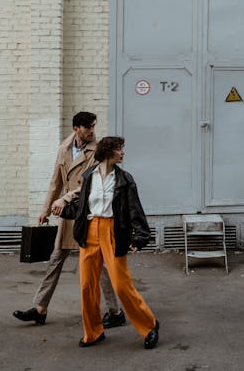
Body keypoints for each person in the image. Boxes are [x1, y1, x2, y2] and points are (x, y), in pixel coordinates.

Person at [13, 112, 125, 330]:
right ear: (76, 128)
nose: (92, 131)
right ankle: (40, 309)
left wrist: (64, 199)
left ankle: (115, 311)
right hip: (68, 216)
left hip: (87, 214)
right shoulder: (64, 147)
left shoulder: (98, 150)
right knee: (55, 260)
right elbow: (55, 181)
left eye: (94, 126)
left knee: (100, 266)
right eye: (88, 127)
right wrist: (45, 209)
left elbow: (88, 183)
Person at [57, 136, 159, 349]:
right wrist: (63, 210)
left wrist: (140, 237)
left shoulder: (125, 179)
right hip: (90, 231)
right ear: (108, 152)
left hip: (113, 231)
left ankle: (149, 325)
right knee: (87, 286)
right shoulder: (89, 177)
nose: (123, 153)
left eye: (123, 149)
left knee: (122, 286)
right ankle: (93, 332)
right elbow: (83, 207)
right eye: (119, 149)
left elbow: (134, 210)